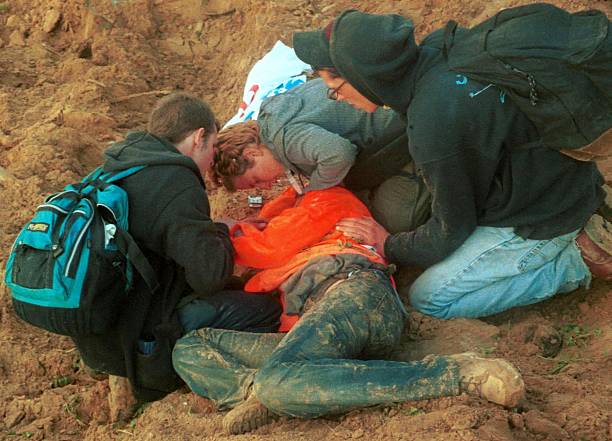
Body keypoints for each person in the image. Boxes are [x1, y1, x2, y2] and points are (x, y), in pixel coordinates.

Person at [290, 9, 611, 320]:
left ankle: (576, 261)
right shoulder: (438, 52)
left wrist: (388, 244)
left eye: (335, 90)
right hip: (559, 175)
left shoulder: (434, 124)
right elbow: (393, 145)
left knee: (430, 298)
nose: (338, 98)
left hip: (542, 216)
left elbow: (451, 229)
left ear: (362, 75)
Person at [172, 180, 526, 435]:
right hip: (317, 324)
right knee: (189, 347)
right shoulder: (281, 218)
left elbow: (267, 249)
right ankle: (256, 390)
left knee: (277, 381)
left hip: (357, 293)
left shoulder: (327, 199)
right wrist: (264, 218)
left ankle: (453, 374)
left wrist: (234, 230)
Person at [74, 92, 281, 401]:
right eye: (212, 147)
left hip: (100, 330)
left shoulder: (122, 163)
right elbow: (209, 277)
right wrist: (222, 233)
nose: (212, 158)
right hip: (140, 341)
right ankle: (236, 387)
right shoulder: (177, 182)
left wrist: (211, 229)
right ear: (199, 138)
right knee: (269, 308)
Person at [212, 78, 431, 234]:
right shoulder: (272, 118)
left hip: (407, 138)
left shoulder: (286, 139)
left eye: (257, 180)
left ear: (252, 153)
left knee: (390, 223)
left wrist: (315, 192)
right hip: (389, 132)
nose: (267, 187)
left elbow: (339, 154)